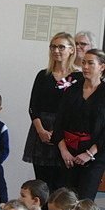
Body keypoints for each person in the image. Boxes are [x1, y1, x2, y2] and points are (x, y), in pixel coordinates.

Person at [23, 33, 82, 191]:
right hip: (41, 131)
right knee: (42, 185)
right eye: (53, 46)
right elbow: (33, 106)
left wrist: (58, 133)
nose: (56, 50)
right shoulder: (43, 75)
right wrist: (40, 130)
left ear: (71, 50)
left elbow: (78, 109)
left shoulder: (79, 77)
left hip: (66, 132)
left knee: (61, 186)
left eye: (61, 46)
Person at [52, 48, 105, 200]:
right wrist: (63, 151)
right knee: (65, 200)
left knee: (84, 200)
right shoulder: (71, 88)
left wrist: (89, 154)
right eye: (83, 63)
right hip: (67, 153)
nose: (85, 67)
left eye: (90, 63)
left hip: (94, 156)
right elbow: (59, 121)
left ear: (102, 67)